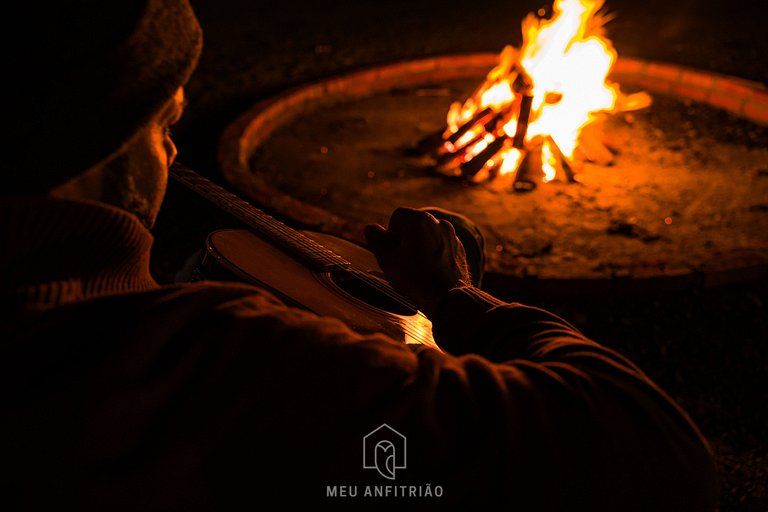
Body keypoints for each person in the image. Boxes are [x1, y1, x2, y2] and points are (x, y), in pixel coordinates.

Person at [1, 1, 718, 510]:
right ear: (98, 142)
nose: (174, 152)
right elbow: (648, 445)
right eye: (166, 125)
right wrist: (455, 296)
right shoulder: (208, 361)